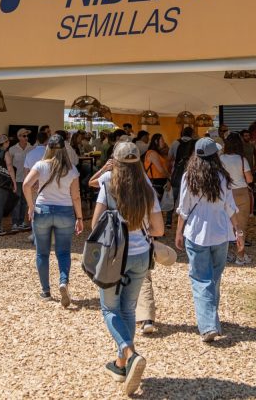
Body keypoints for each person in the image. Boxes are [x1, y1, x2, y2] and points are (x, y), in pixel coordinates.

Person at [91, 142, 164, 393]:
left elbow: (96, 224)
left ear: (116, 160)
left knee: (109, 308)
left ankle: (130, 354)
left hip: (115, 255)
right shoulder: (147, 187)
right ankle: (121, 365)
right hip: (141, 254)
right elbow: (159, 229)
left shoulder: (108, 181)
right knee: (129, 309)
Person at [175, 137, 242, 342]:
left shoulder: (188, 177)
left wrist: (178, 232)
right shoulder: (223, 177)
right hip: (220, 232)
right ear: (215, 155)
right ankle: (212, 319)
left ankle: (208, 325)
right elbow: (230, 207)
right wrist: (238, 231)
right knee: (213, 277)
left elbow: (184, 209)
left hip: (196, 232)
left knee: (200, 279)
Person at [23, 134, 83, 305]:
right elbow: (76, 196)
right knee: (63, 252)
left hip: (43, 210)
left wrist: (31, 206)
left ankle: (46, 291)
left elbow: (26, 185)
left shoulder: (41, 165)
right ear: (64, 149)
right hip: (65, 211)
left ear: (48, 148)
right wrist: (79, 217)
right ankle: (63, 281)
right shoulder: (71, 169)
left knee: (42, 252)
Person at [219, 133, 253, 265]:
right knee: (241, 226)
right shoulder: (242, 159)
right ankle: (240, 256)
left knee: (224, 225)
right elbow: (249, 179)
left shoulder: (220, 159)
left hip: (225, 193)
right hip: (241, 193)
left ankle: (224, 254)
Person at [6, 128, 34, 230]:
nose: (26, 138)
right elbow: (8, 165)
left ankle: (22, 221)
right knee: (16, 201)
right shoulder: (12, 149)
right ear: (19, 137)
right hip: (17, 179)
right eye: (24, 136)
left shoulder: (32, 148)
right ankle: (15, 223)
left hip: (28, 179)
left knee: (25, 201)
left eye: (27, 136)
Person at [168, 126, 196, 211]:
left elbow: (169, 158)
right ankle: (184, 213)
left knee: (173, 196)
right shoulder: (195, 143)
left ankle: (169, 217)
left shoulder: (175, 143)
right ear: (192, 134)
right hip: (190, 172)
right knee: (187, 195)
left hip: (177, 172)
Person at [142, 133, 171, 214]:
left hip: (160, 181)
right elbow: (161, 170)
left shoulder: (158, 153)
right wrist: (170, 177)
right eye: (162, 140)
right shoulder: (152, 153)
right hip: (156, 182)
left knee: (158, 206)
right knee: (155, 207)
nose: (164, 142)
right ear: (156, 141)